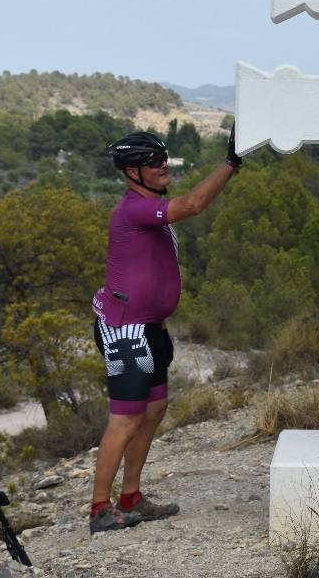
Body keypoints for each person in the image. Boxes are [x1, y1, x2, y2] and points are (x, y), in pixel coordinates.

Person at [88, 127, 242, 534]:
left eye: (164, 159)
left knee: (154, 410)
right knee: (124, 420)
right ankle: (100, 509)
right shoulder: (132, 210)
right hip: (126, 331)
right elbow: (193, 204)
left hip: (150, 327)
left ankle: (132, 496)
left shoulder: (148, 205)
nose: (163, 167)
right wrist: (231, 163)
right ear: (132, 172)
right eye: (153, 163)